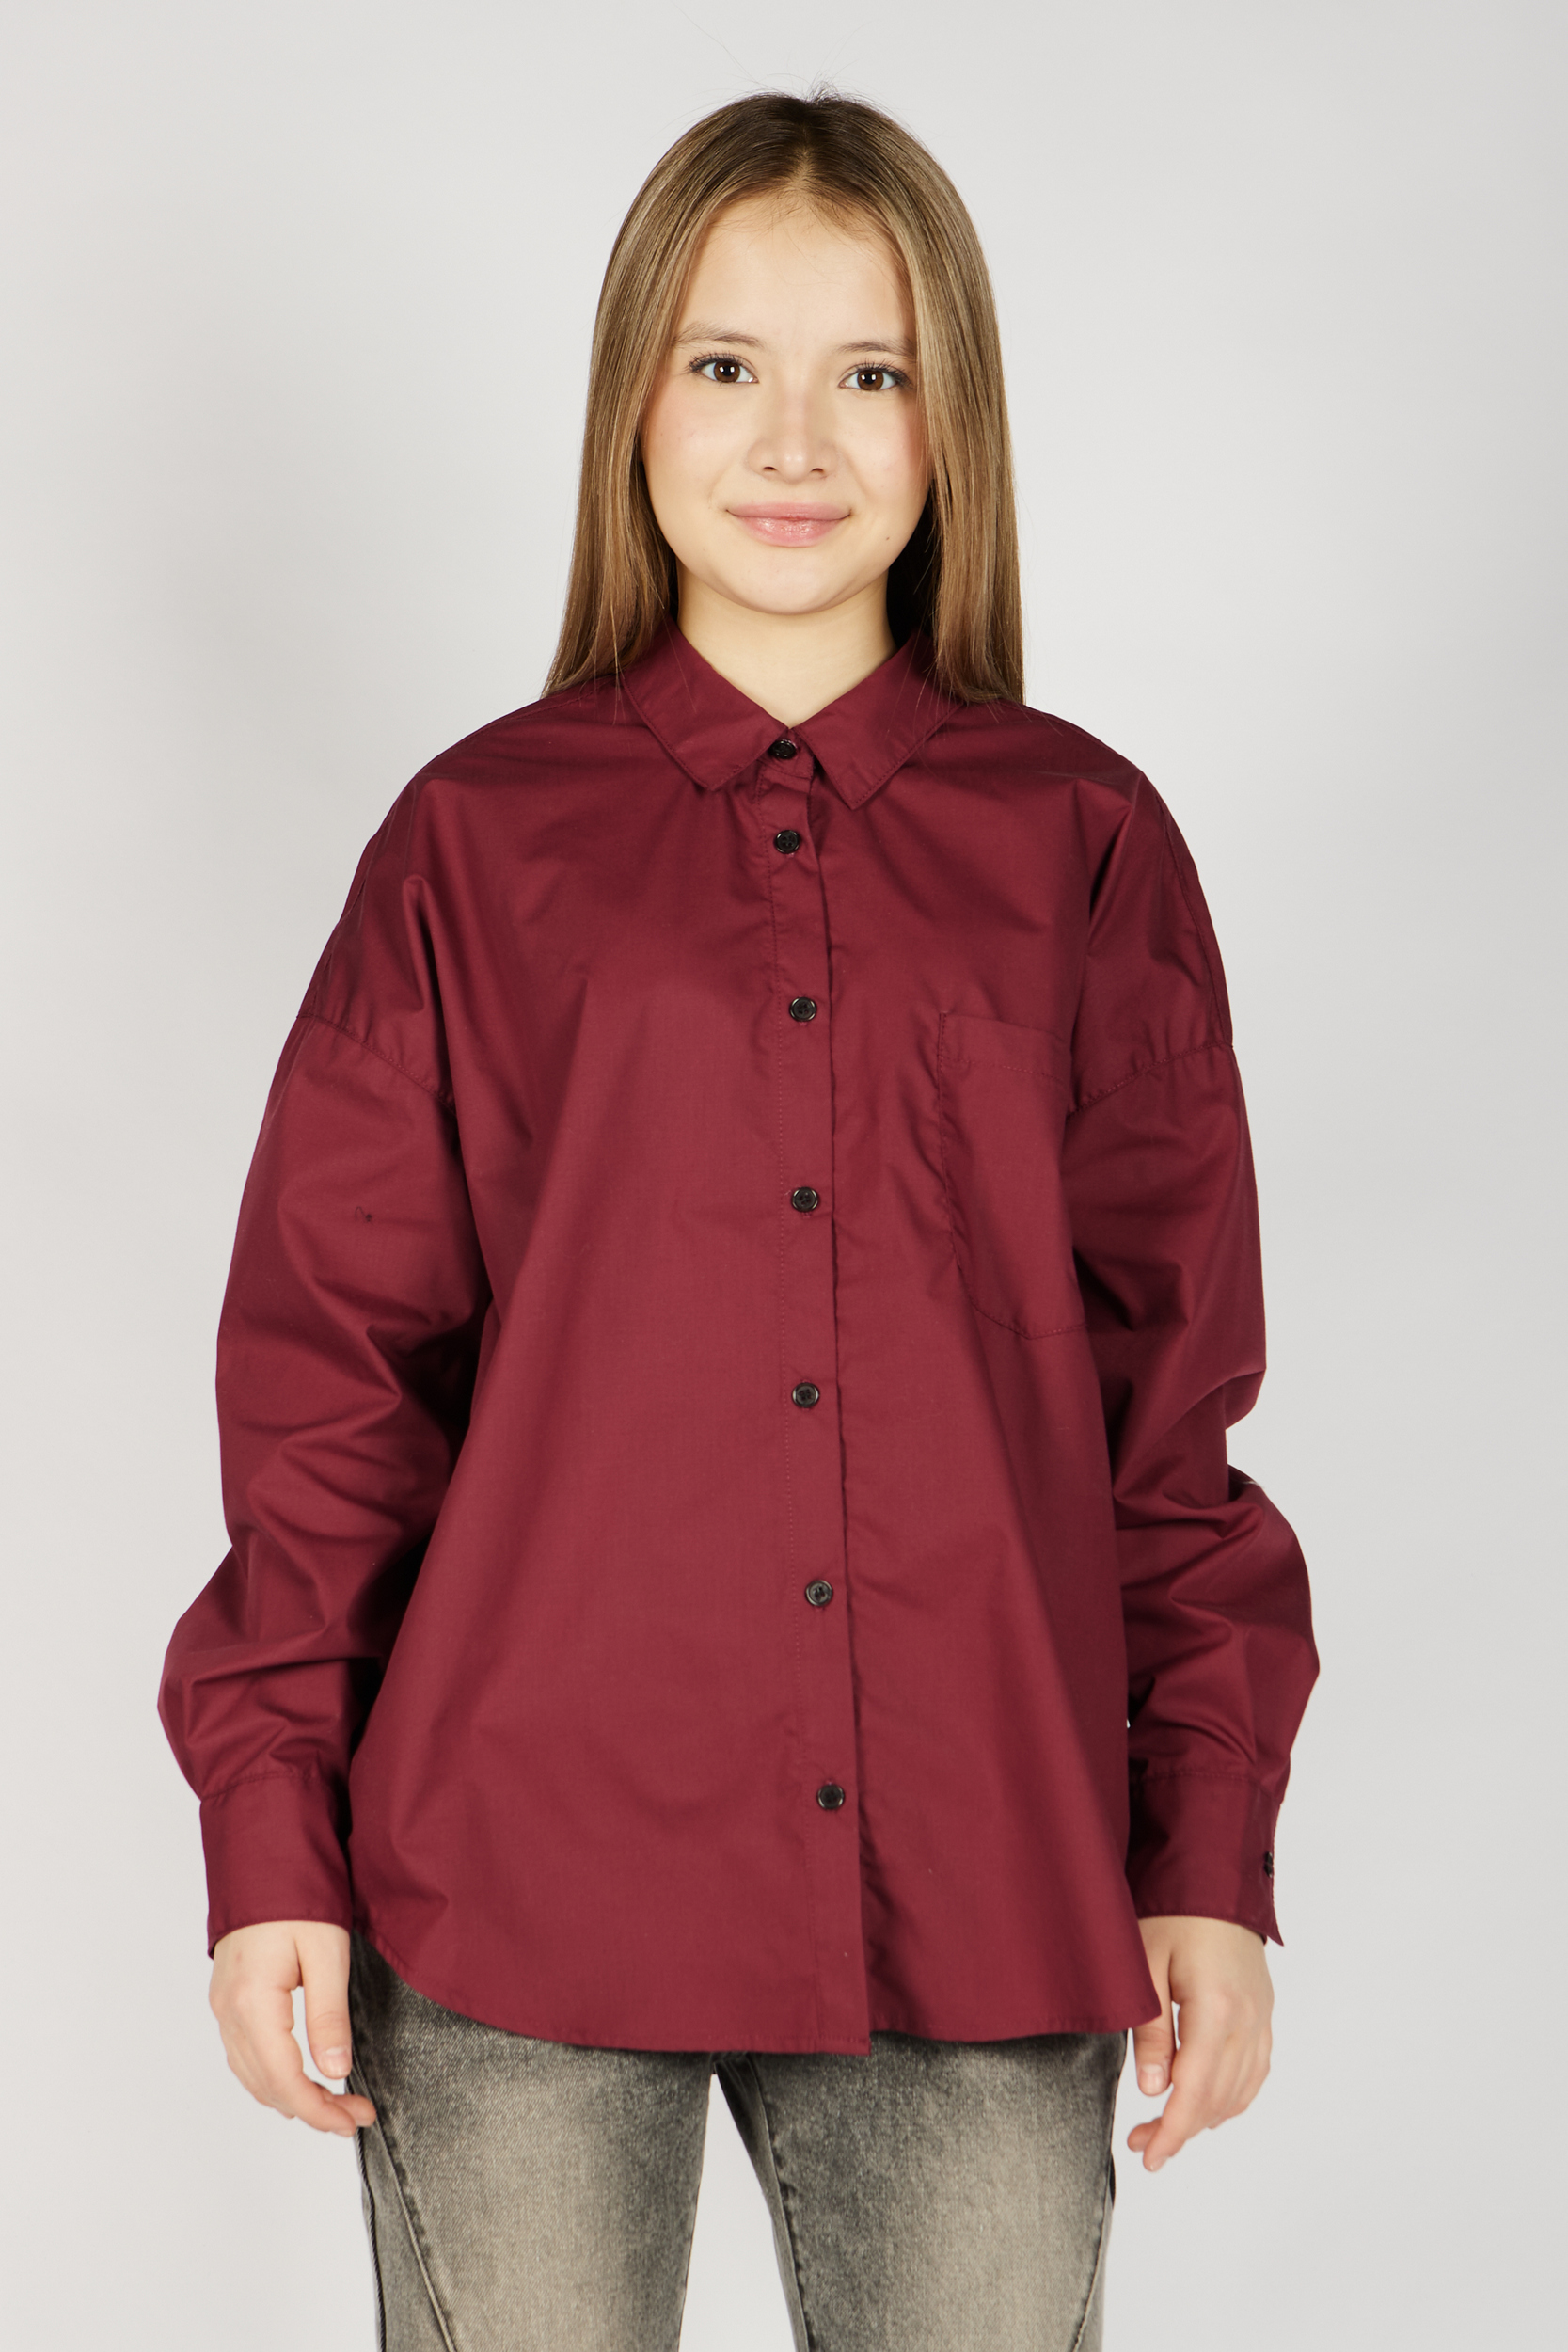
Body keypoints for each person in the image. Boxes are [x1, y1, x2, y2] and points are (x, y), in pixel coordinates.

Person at [159, 88, 1318, 2352]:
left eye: (869, 370)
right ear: (634, 403)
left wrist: (1209, 1850)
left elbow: (1167, 1408)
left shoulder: (1085, 845)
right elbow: (332, 1381)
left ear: (952, 422)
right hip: (514, 1873)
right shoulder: (474, 845)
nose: (795, 438)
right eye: (725, 363)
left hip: (978, 1875)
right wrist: (270, 1832)